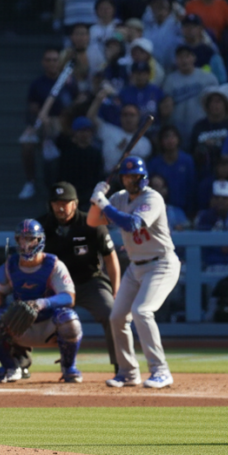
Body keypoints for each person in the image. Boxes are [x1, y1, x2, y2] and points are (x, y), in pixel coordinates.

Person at [88, 157, 179, 389]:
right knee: (117, 317)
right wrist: (96, 199)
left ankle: (161, 371)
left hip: (161, 264)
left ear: (143, 177)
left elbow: (133, 224)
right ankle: (128, 372)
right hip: (135, 266)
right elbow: (92, 221)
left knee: (142, 311)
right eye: (127, 177)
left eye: (135, 176)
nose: (131, 180)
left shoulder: (152, 197)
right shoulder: (119, 198)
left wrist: (103, 203)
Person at [0, 219, 83, 384]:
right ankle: (11, 366)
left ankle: (68, 367)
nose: (25, 244)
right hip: (21, 327)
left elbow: (69, 297)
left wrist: (41, 303)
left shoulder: (54, 265)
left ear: (39, 240)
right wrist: (7, 312)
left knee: (69, 319)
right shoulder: (9, 265)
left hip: (50, 325)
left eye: (30, 239)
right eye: (21, 239)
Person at [38, 182, 120, 374]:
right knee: (24, 309)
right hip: (56, 287)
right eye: (56, 202)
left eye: (65, 202)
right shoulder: (41, 226)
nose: (61, 207)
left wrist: (116, 291)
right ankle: (18, 365)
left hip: (89, 281)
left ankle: (121, 365)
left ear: (75, 203)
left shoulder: (92, 223)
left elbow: (111, 258)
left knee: (112, 313)